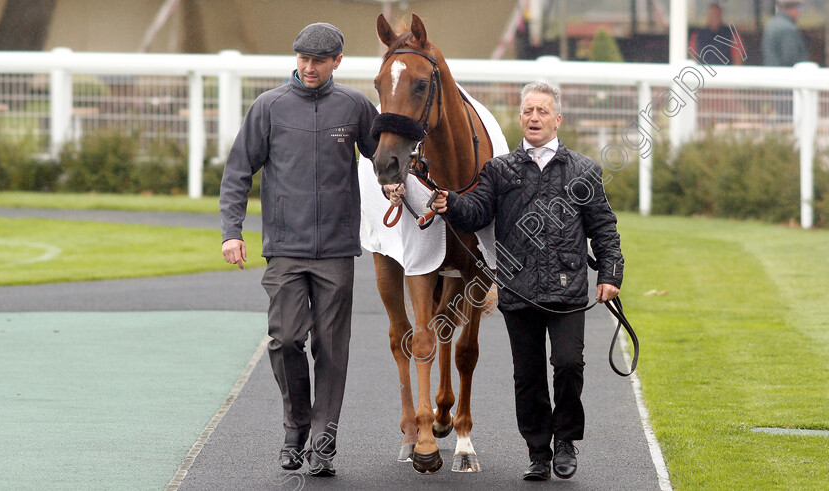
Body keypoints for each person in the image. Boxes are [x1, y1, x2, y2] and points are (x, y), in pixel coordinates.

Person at [386, 81, 623, 481]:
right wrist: (449, 202)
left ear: (557, 119)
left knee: (568, 365)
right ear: (520, 118)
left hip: (566, 290)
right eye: (528, 111)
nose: (534, 117)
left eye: (542, 111)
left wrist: (610, 274)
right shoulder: (499, 170)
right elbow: (476, 212)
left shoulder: (584, 171)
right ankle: (537, 451)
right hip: (519, 289)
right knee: (527, 375)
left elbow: (604, 228)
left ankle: (565, 442)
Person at [219, 22, 378, 477]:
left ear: (337, 63)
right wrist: (233, 231)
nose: (309, 68)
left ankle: (323, 441)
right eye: (303, 59)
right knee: (286, 339)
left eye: (319, 61)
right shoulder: (268, 107)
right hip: (285, 249)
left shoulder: (354, 106)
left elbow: (384, 158)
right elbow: (237, 173)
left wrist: (395, 184)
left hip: (336, 250)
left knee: (331, 348)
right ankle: (296, 429)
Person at [762, 0, 807, 66]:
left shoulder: (771, 24)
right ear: (792, 9)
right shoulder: (788, 29)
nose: (800, 12)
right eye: (799, 8)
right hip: (785, 74)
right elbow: (790, 58)